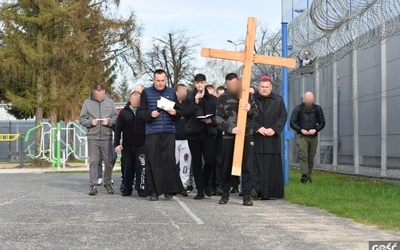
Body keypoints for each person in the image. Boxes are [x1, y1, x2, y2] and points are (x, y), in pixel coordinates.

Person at [138, 69, 184, 201]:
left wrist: (174, 112)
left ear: (165, 80)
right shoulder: (146, 92)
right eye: (158, 81)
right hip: (152, 132)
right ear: (153, 80)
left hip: (169, 131)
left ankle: (169, 190)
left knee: (169, 161)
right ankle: (153, 191)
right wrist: (150, 115)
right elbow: (141, 113)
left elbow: (180, 112)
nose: (160, 83)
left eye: (163, 80)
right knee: (153, 161)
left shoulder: (171, 92)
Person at [216, 73, 258, 206]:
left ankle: (246, 196)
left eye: (235, 84)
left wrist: (249, 109)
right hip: (230, 135)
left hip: (246, 134)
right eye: (230, 85)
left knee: (247, 166)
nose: (233, 87)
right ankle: (225, 194)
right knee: (227, 166)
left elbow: (255, 114)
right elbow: (218, 118)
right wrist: (230, 128)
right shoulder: (222, 98)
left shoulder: (247, 95)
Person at [183, 74, 218, 199]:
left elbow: (218, 116)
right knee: (196, 163)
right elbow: (185, 114)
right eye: (197, 82)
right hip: (194, 134)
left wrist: (211, 121)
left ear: (205, 83)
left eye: (202, 82)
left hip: (208, 133)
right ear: (194, 83)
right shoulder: (189, 98)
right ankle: (200, 190)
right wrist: (195, 103)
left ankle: (205, 183)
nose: (199, 85)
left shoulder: (213, 99)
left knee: (209, 161)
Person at [253, 75, 287, 199]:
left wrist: (274, 129)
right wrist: (257, 128)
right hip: (256, 139)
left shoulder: (278, 100)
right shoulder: (252, 99)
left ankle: (272, 193)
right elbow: (247, 117)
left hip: (272, 139)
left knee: (271, 168)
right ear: (258, 87)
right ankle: (256, 191)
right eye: (262, 87)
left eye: (267, 87)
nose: (264, 89)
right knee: (255, 167)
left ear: (271, 87)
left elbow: (283, 116)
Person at [79, 83, 117, 195]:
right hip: (93, 137)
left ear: (104, 92)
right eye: (97, 95)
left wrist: (109, 122)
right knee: (94, 162)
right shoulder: (87, 103)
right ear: (94, 92)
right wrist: (90, 122)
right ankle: (93, 186)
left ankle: (108, 183)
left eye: (101, 95)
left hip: (107, 136)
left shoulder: (110, 102)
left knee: (109, 161)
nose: (99, 97)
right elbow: (82, 119)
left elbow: (115, 117)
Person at [114, 91, 147, 197]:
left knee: (141, 168)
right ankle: (127, 188)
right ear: (130, 100)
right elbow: (118, 128)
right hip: (127, 145)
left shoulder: (143, 112)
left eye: (138, 100)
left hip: (141, 145)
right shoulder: (124, 113)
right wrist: (117, 143)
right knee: (128, 168)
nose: (137, 102)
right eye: (135, 100)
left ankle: (141, 188)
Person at [290, 91, 325, 184]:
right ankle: (304, 175)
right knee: (303, 155)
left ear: (313, 98)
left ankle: (308, 176)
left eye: (310, 98)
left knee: (310, 158)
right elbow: (292, 122)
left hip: (313, 136)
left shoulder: (318, 109)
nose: (309, 99)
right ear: (304, 99)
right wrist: (301, 129)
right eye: (307, 98)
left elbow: (322, 122)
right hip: (301, 135)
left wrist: (316, 129)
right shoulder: (298, 109)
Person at [175, 83, 192, 197]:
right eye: (181, 91)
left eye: (185, 91)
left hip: (186, 139)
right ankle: (172, 185)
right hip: (174, 139)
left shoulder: (189, 105)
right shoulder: (171, 105)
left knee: (185, 164)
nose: (183, 93)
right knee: (173, 163)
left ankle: (183, 186)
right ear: (176, 92)